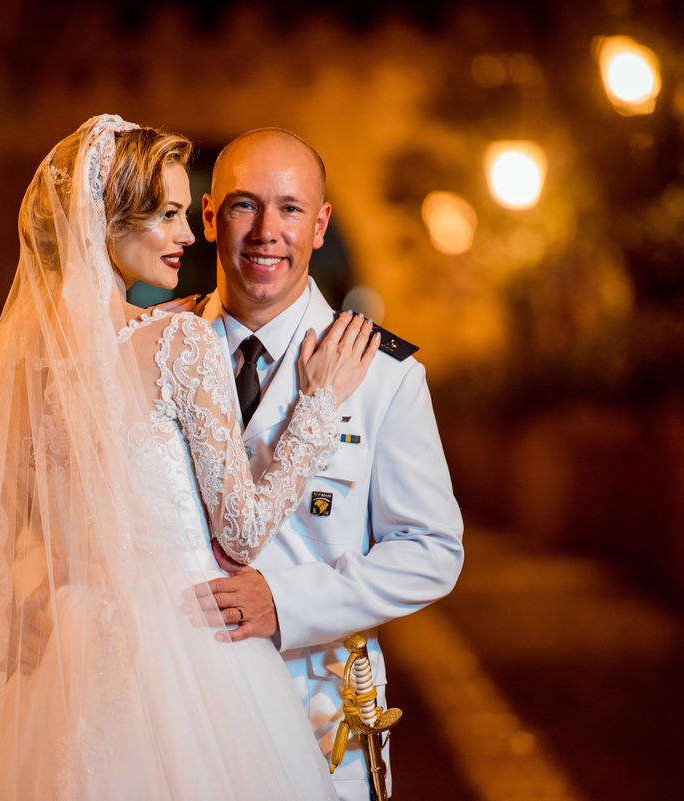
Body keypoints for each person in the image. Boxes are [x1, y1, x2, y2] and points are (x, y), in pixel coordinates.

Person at [0, 115, 381, 801]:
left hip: (67, 652)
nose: (189, 235)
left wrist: (37, 592)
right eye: (169, 214)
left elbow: (16, 524)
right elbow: (241, 532)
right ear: (107, 220)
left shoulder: (5, 353)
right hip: (187, 649)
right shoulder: (179, 343)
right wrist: (320, 404)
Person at [189, 128, 466, 801]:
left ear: (320, 225)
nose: (267, 232)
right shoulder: (157, 352)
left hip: (316, 718)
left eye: (290, 209)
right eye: (244, 205)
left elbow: (432, 549)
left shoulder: (385, 376)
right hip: (181, 714)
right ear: (209, 217)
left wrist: (287, 602)